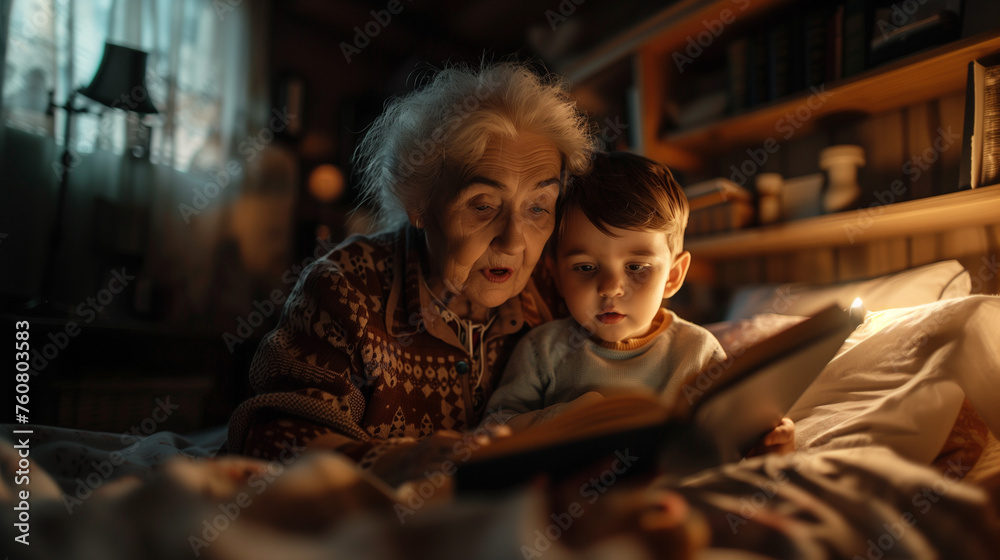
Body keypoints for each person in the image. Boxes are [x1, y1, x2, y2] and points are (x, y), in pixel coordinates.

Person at [225, 60, 596, 486]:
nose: (513, 242)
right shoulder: (345, 286)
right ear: (418, 203)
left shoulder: (560, 285)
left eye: (537, 208)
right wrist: (395, 463)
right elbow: (273, 438)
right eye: (482, 205)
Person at [485, 151, 794, 454]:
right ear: (557, 277)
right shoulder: (542, 350)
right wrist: (566, 419)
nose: (610, 288)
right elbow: (491, 435)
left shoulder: (697, 351)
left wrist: (764, 445)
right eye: (585, 267)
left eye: (636, 268)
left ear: (673, 276)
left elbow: (727, 439)